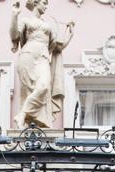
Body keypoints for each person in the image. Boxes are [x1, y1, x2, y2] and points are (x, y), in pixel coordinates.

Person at [9, 0, 73, 129]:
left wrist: (69, 32)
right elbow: (14, 35)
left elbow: (58, 47)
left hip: (43, 58)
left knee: (44, 86)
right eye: (44, 3)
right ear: (35, 3)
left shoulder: (48, 25)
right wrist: (14, 15)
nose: (46, 6)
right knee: (30, 91)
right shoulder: (26, 21)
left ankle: (22, 114)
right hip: (27, 56)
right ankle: (26, 119)